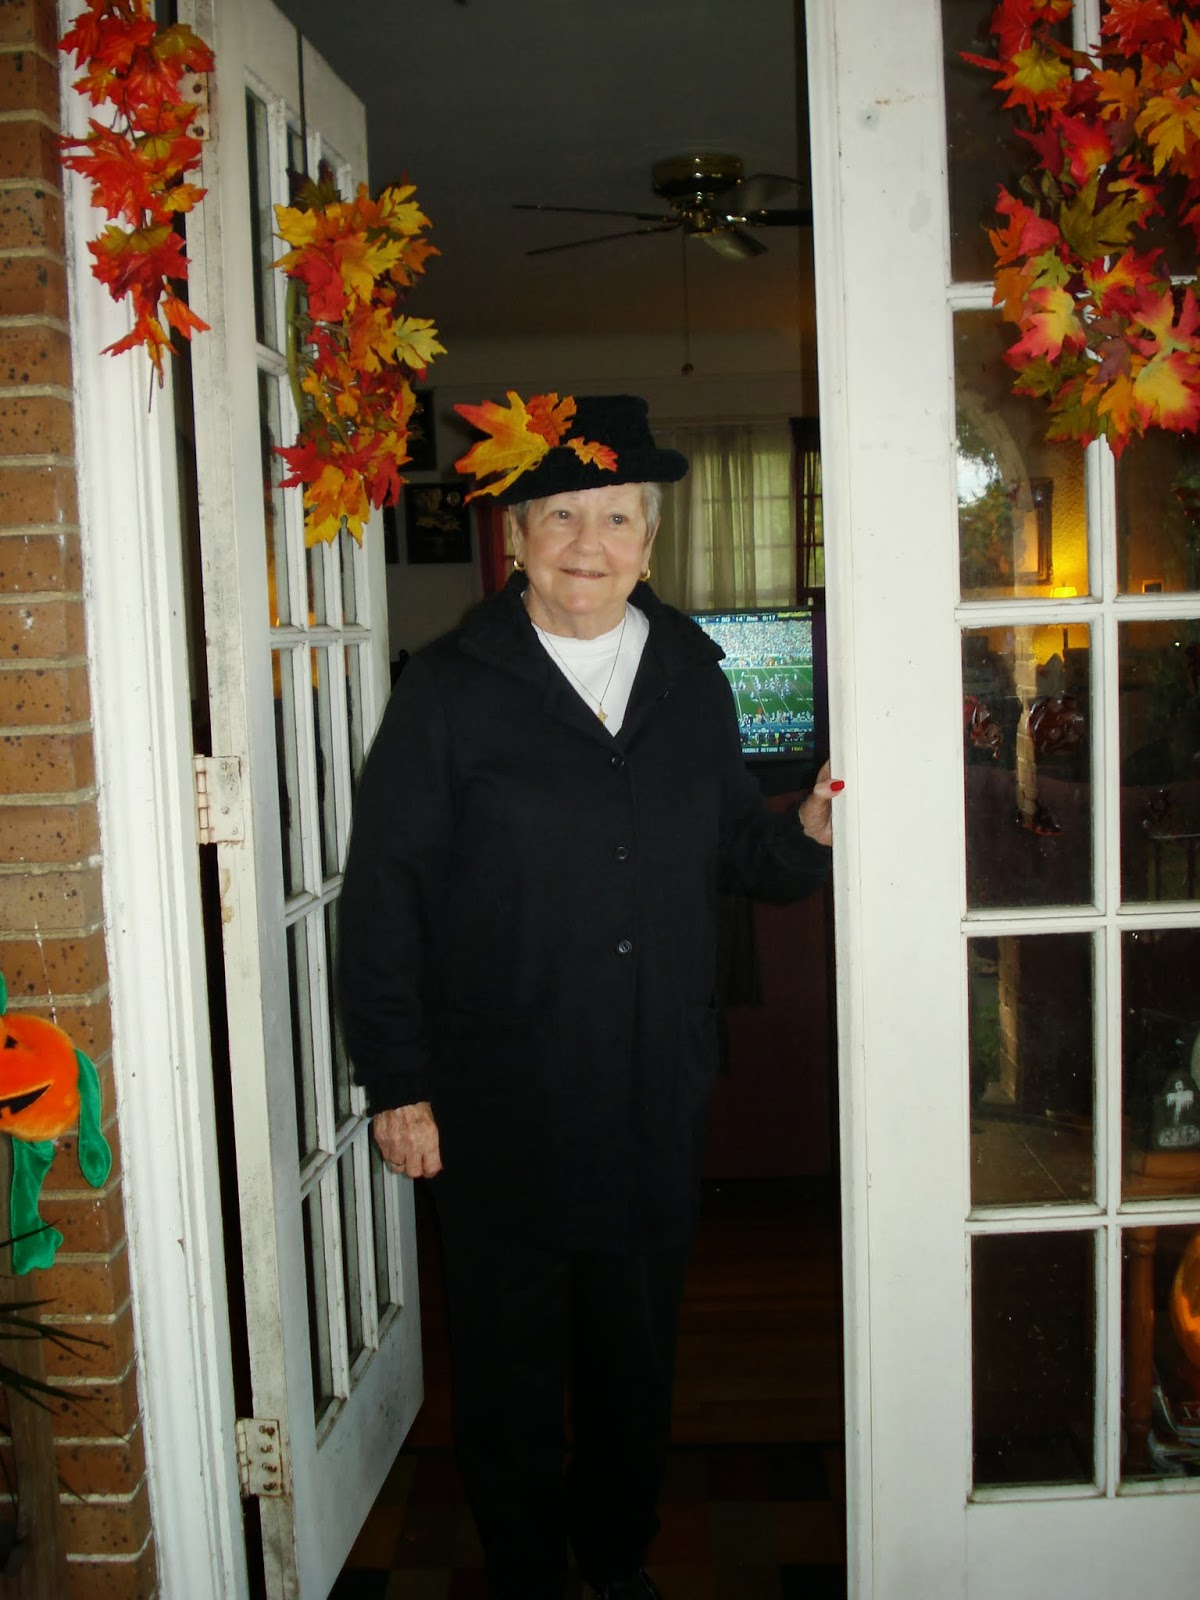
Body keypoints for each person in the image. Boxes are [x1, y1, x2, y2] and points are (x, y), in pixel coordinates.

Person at [337, 392, 839, 1600]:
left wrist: (809, 830)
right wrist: (398, 1082)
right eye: (560, 514)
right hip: (498, 1097)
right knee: (507, 1370)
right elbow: (386, 893)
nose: (588, 542)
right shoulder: (450, 689)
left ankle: (614, 1561)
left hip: (652, 1089)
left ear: (649, 543)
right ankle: (525, 1572)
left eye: (616, 517)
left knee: (634, 1359)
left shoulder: (694, 679)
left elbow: (737, 846)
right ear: (516, 536)